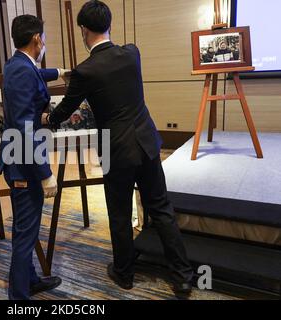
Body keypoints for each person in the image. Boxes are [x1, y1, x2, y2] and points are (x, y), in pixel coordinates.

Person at [43, 0, 194, 295]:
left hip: (115, 151)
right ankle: (184, 276)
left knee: (120, 212)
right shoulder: (132, 53)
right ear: (109, 24)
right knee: (161, 208)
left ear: (84, 30)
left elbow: (64, 111)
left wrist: (47, 117)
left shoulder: (86, 71)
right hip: (147, 143)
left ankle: (124, 273)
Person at [0, 14, 69, 300]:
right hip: (24, 166)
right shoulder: (21, 71)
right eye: (44, 38)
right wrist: (45, 174)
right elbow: (24, 129)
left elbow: (35, 75)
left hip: (21, 159)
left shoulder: (19, 65)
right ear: (37, 38)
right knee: (25, 235)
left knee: (26, 229)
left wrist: (60, 72)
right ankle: (19, 297)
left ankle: (30, 281)